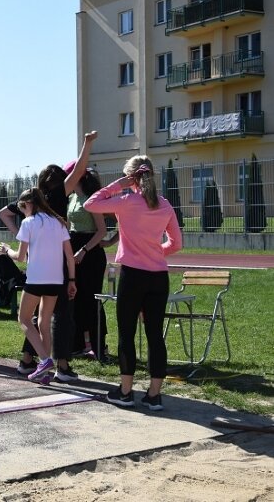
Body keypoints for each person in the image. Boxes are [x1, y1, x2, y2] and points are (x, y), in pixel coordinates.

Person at [0, 130, 97, 382]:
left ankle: (35, 360)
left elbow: (3, 213)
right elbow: (79, 170)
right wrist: (87, 144)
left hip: (38, 268)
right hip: (58, 270)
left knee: (33, 318)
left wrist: (20, 237)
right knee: (56, 318)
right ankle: (56, 364)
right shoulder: (58, 212)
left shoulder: (31, 208)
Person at [84, 155, 182, 411]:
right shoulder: (165, 205)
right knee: (154, 335)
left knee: (127, 334)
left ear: (131, 177)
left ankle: (126, 392)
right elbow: (177, 244)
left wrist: (119, 184)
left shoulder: (126, 201)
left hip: (132, 275)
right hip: (159, 276)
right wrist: (156, 251)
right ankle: (154, 395)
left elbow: (91, 204)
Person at [0, 188, 76, 383]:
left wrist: (7, 250)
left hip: (36, 280)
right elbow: (69, 256)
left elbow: (20, 257)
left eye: (22, 207)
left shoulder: (29, 223)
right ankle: (45, 369)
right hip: (56, 280)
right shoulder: (58, 223)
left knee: (24, 318)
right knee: (43, 322)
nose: (22, 210)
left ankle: (44, 360)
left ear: (30, 204)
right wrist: (72, 280)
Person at [64, 163, 107, 359]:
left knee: (92, 299)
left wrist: (84, 250)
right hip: (74, 248)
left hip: (90, 253)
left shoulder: (92, 199)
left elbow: (102, 231)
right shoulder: (71, 197)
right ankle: (78, 344)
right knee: (75, 297)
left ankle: (100, 345)